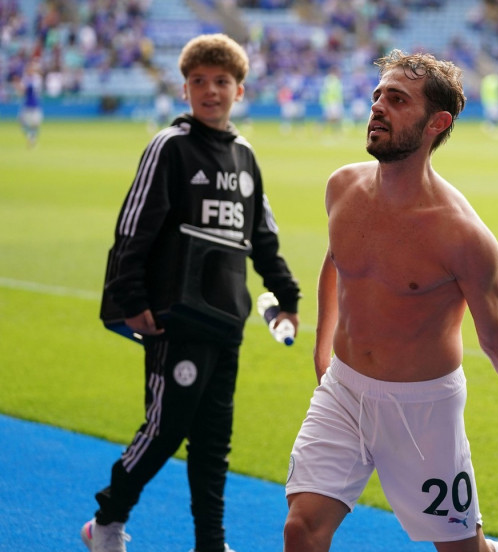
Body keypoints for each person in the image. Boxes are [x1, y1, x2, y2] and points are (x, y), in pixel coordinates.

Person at [283, 49, 498, 552]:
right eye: (378, 95)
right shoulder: (342, 187)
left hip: (422, 410)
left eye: (396, 100)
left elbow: (496, 339)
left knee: (462, 551)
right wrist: (322, 344)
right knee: (302, 528)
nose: (377, 107)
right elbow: (337, 260)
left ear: (435, 123)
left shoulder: (463, 236)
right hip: (344, 390)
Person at [81, 34, 301, 552]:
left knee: (213, 443)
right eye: (199, 81)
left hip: (226, 320)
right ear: (184, 89)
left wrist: (285, 293)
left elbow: (261, 236)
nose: (211, 90)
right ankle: (106, 524)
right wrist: (130, 298)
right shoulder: (170, 147)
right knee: (164, 429)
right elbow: (133, 227)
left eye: (221, 81)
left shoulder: (246, 157)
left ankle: (211, 543)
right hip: (173, 318)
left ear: (239, 91)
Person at [18, 59, 43, 148]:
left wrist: (20, 86)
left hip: (34, 104)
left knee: (35, 124)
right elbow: (22, 92)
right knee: (22, 122)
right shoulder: (26, 78)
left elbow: (30, 88)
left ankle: (32, 139)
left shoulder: (36, 78)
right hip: (27, 104)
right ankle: (31, 137)